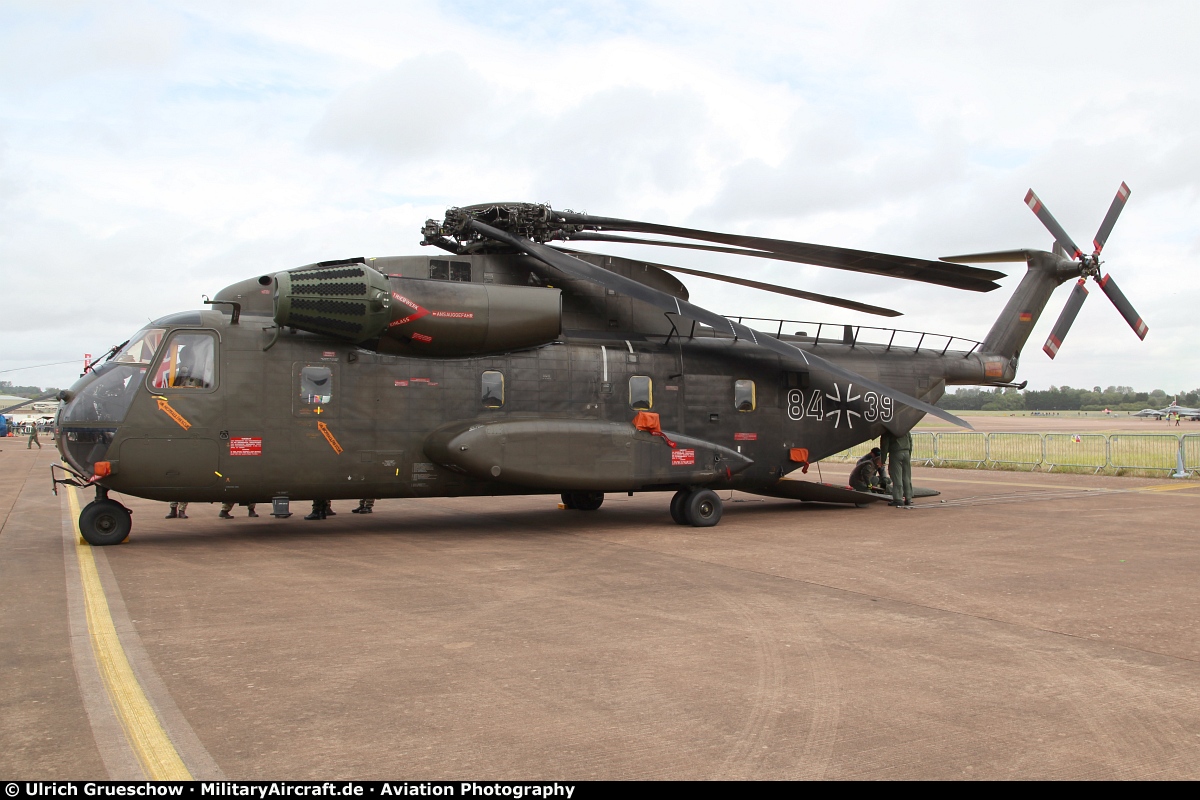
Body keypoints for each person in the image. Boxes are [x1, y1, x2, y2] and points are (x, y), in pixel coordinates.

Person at [881, 429, 914, 507]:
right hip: (906, 452)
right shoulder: (905, 429)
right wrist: (909, 454)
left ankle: (898, 499)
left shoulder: (888, 431)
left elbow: (884, 446)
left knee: (897, 476)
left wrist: (883, 460)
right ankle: (908, 497)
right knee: (906, 476)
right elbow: (910, 442)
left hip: (896, 453)